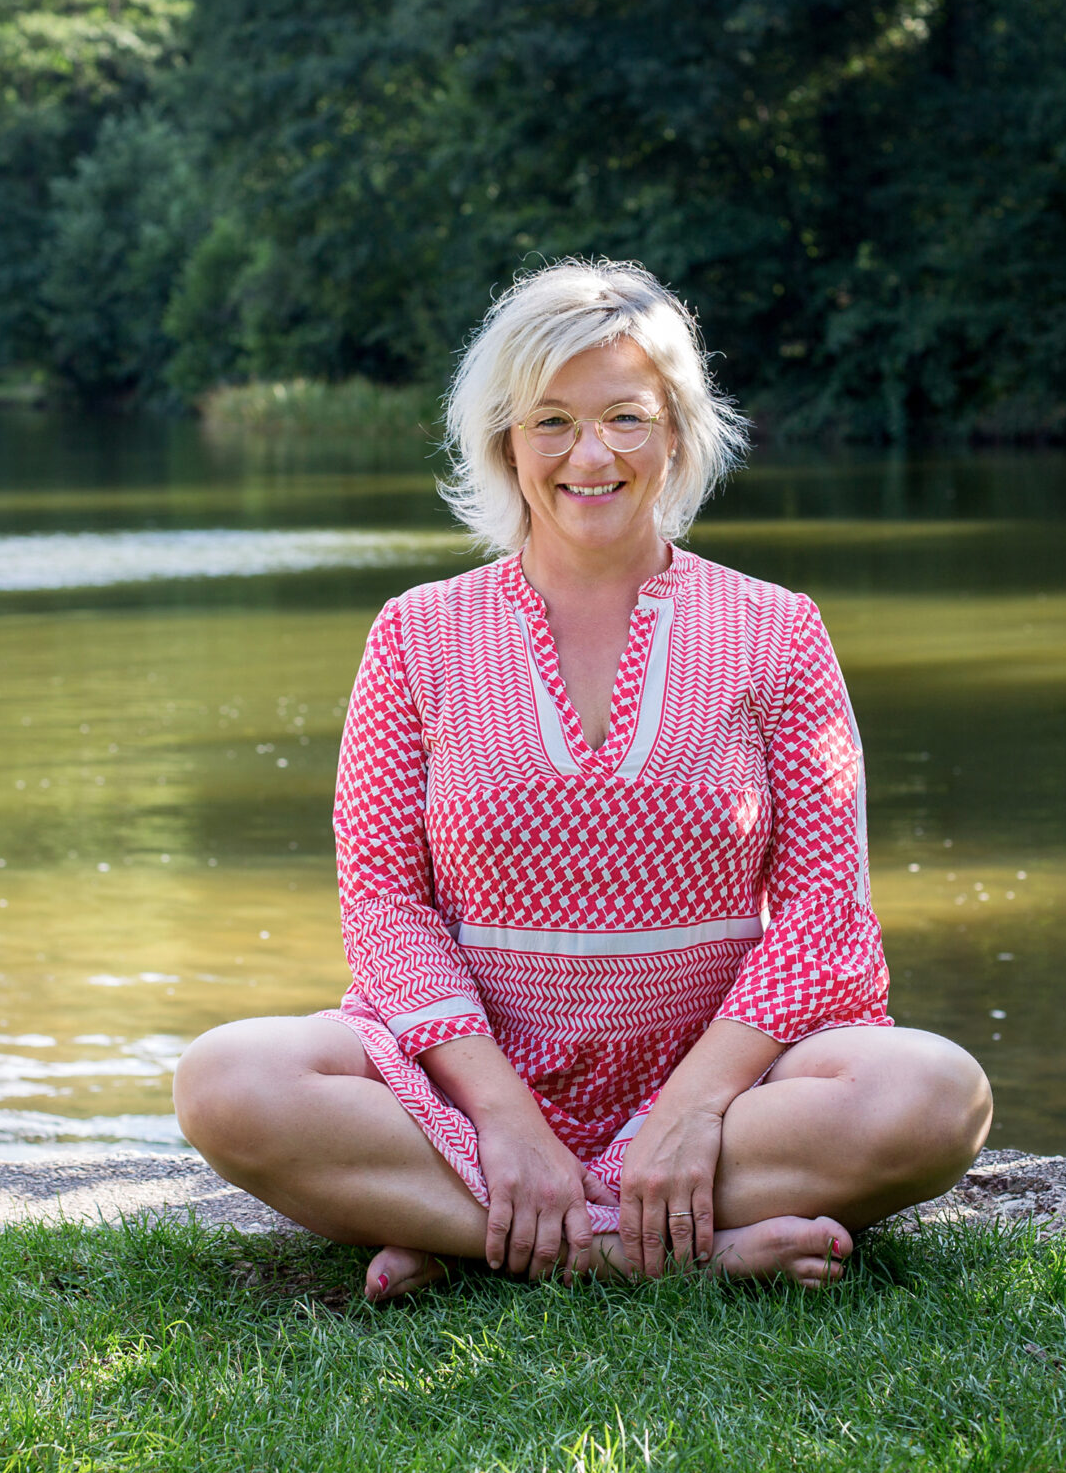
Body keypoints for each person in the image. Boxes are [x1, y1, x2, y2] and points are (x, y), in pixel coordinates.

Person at [174, 259, 991, 1299]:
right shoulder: (415, 636)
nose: (589, 454)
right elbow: (385, 909)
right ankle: (649, 1248)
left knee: (932, 1095)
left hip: (727, 1089)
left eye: (625, 418)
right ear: (505, 443)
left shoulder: (776, 630)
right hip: (472, 1087)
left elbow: (824, 918)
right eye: (550, 421)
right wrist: (504, 1119)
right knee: (227, 1081)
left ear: (678, 434)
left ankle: (474, 1234)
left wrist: (691, 1108)